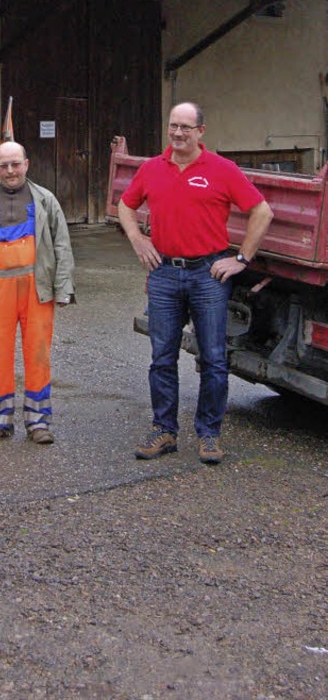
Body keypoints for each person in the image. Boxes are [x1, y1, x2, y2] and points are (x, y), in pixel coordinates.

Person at [118, 102, 273, 465]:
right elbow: (126, 206)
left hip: (208, 274)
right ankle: (164, 431)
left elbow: (262, 211)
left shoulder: (222, 169)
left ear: (201, 131)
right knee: (162, 357)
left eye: (186, 127)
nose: (178, 133)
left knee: (214, 359)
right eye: (173, 126)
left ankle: (209, 434)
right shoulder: (153, 168)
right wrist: (138, 241)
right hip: (164, 274)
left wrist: (240, 259)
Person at [0, 140, 75, 444]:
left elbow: (62, 244)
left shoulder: (46, 200)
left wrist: (64, 288)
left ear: (26, 164)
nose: (10, 171)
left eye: (15, 164)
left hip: (38, 289)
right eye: (4, 166)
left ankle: (38, 423)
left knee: (37, 355)